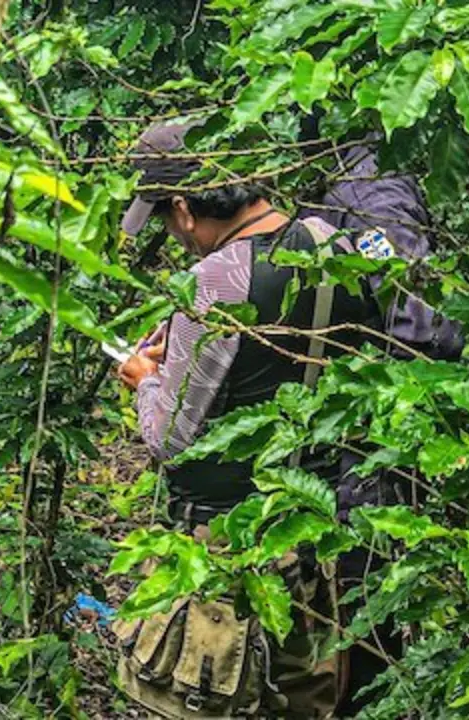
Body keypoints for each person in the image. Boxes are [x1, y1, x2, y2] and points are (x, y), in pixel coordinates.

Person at [111, 121, 422, 718]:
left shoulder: (216, 281)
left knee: (211, 694)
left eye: (165, 222)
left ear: (182, 209)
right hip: (314, 537)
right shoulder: (336, 243)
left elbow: (170, 436)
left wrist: (144, 379)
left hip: (225, 544)